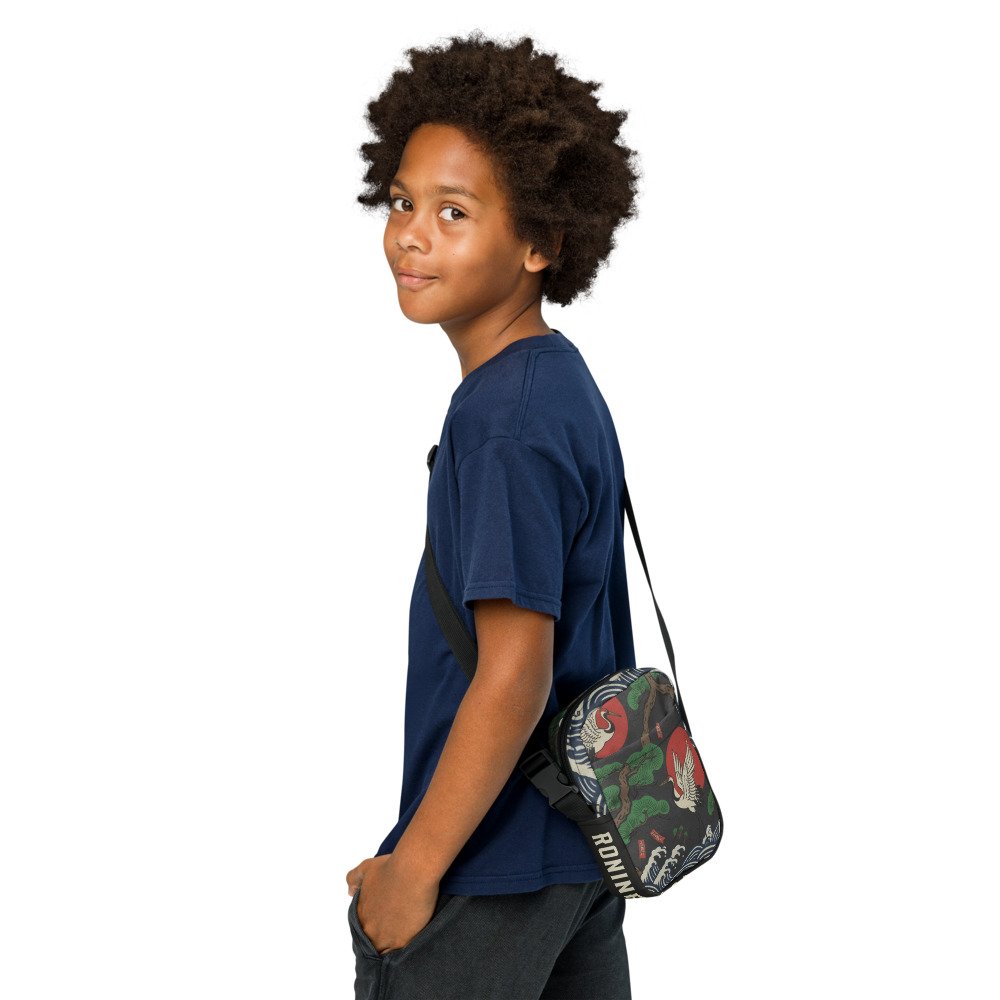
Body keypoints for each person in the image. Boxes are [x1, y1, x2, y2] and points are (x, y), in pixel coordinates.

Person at [347, 30, 642, 1000]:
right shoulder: (558, 381)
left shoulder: (501, 422)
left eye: (454, 211)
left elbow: (514, 675)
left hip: (490, 868)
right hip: (578, 854)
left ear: (539, 242)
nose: (411, 234)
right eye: (403, 201)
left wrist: (413, 870)